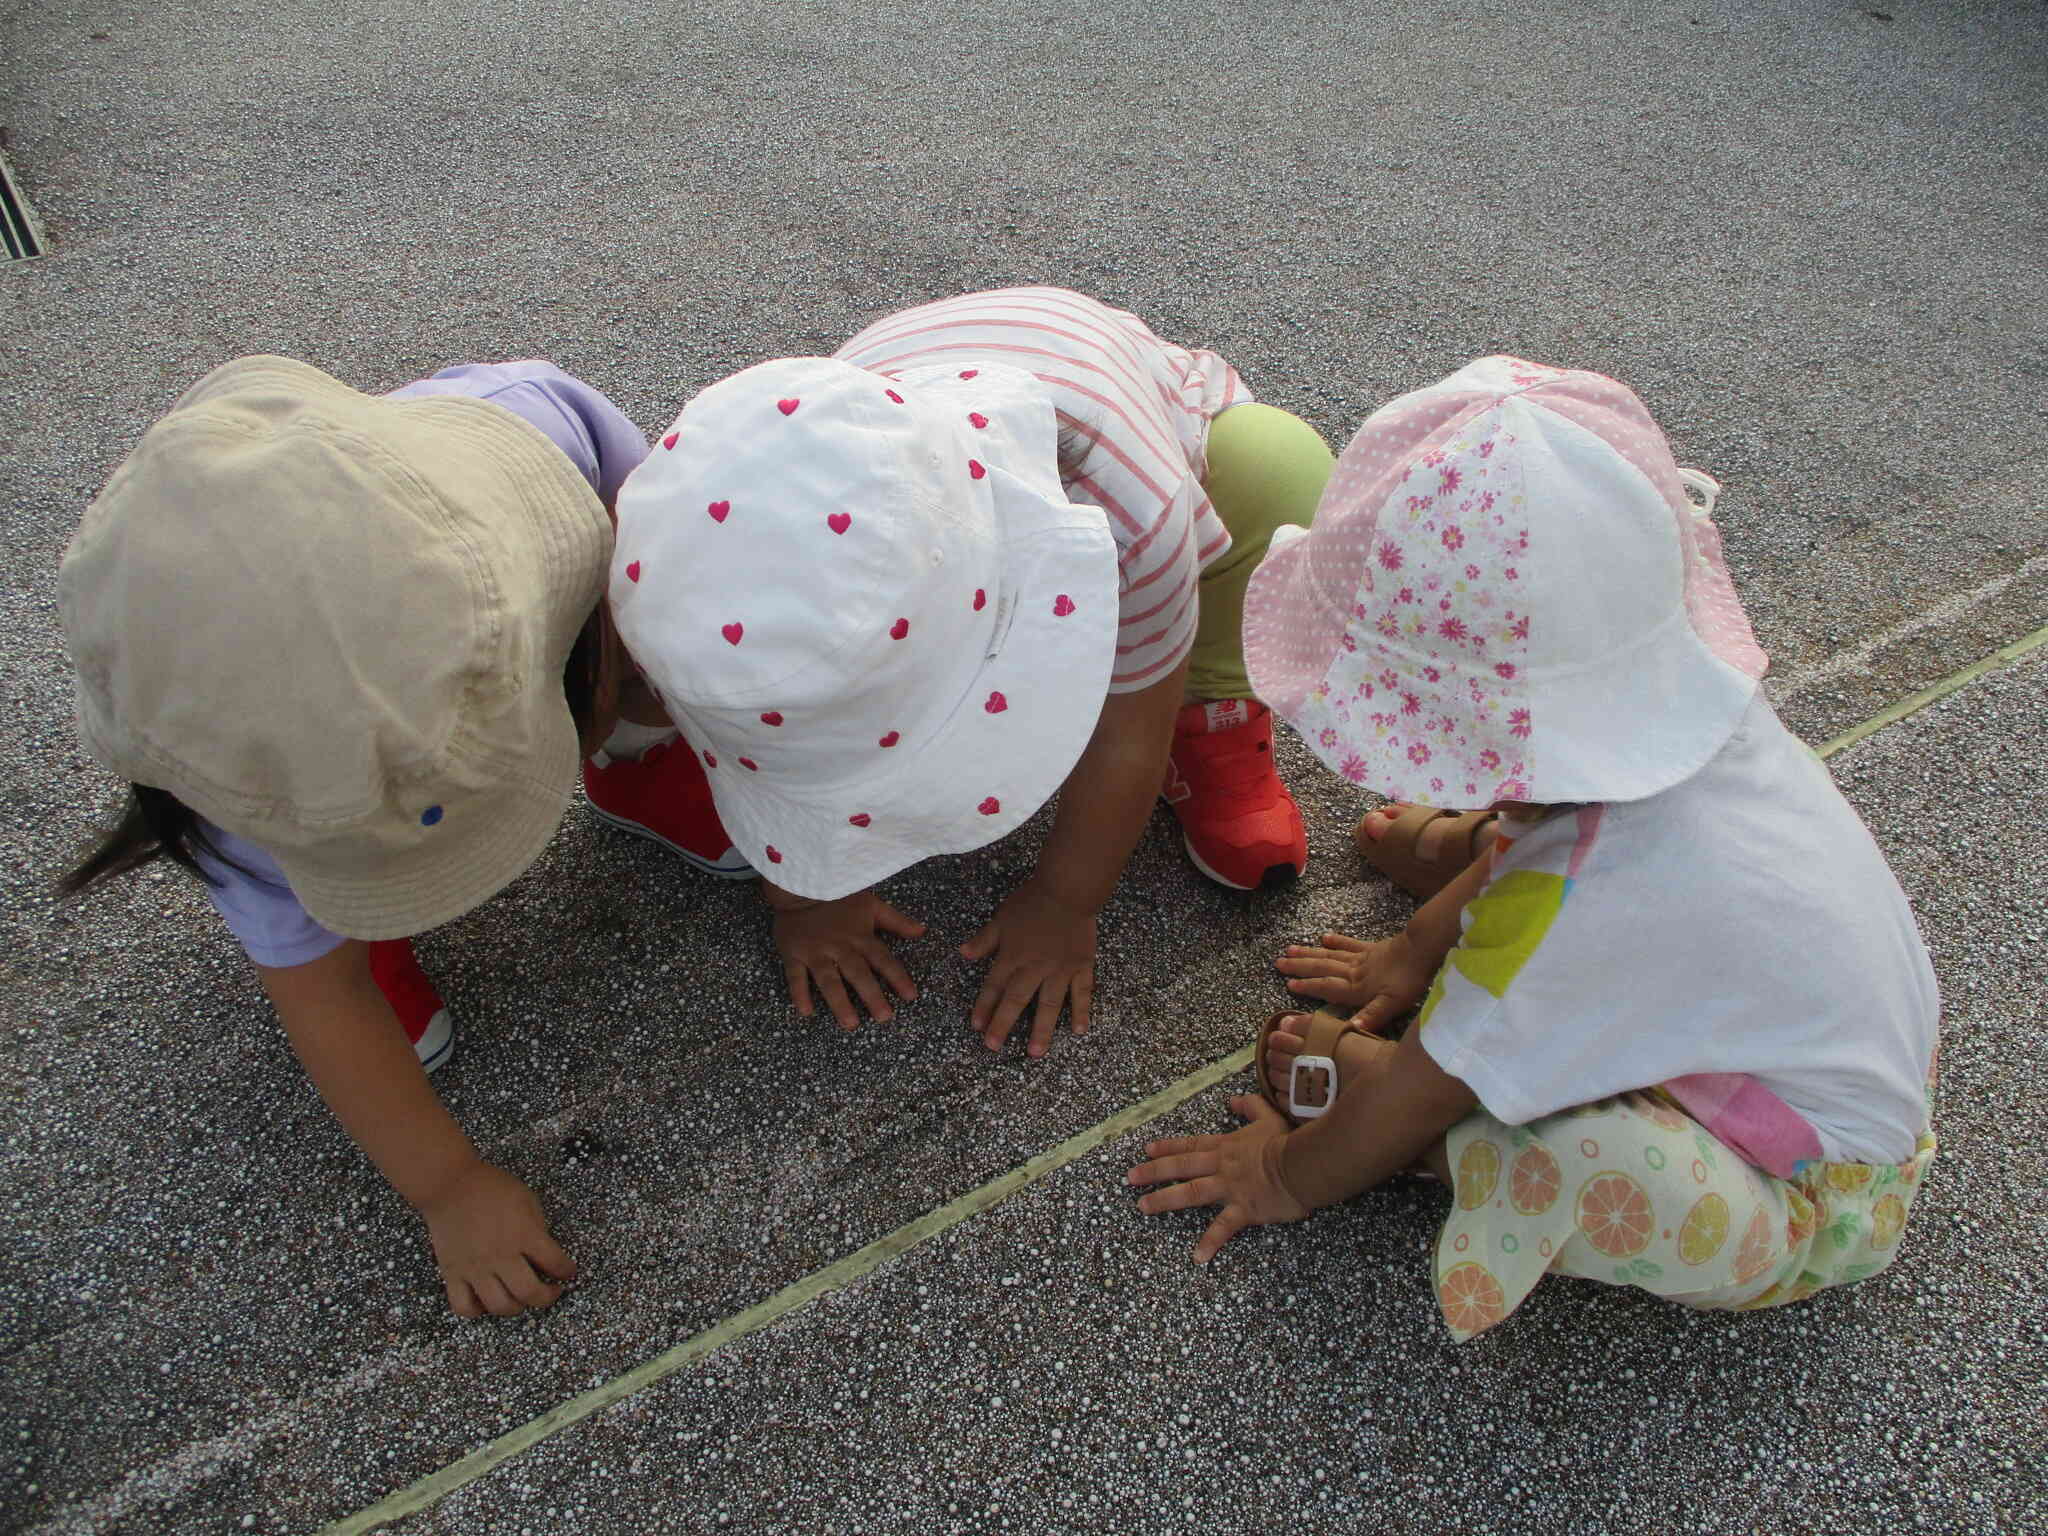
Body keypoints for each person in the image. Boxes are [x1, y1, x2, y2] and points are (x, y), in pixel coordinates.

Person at [1128, 356, 1940, 1338]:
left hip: (1805, 1193)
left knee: (1558, 1155)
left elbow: (1441, 1065)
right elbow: (1566, 844)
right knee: (1555, 866)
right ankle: (1480, 897)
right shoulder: (1686, 733)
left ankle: (1446, 1154)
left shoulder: (1577, 904)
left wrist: (1283, 1174)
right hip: (1814, 1047)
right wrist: (1408, 952)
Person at [58, 357, 742, 1319]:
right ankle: (361, 911)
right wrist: (448, 1187)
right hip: (531, 653)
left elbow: (689, 593)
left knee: (669, 644)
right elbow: (320, 1003)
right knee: (355, 997)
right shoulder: (237, 781)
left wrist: (647, 693)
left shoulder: (542, 426)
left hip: (574, 606)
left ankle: (635, 756)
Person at [611, 288, 1335, 1055]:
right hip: (922, 413)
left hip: (1153, 415)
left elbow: (1129, 736)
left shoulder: (1128, 519)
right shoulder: (690, 565)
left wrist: (1064, 906)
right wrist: (805, 896)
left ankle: (1215, 708)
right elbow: (764, 738)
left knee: (1276, 470)